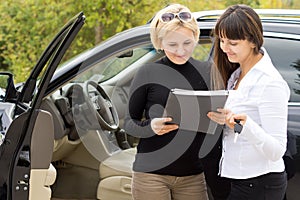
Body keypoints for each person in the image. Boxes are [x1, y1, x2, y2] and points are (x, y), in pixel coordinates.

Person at [124, 3, 212, 200]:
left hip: (193, 176)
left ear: (195, 38)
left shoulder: (206, 72)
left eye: (187, 43)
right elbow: (129, 123)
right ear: (160, 42)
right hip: (150, 176)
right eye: (172, 45)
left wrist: (219, 118)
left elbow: (214, 124)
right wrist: (150, 127)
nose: (181, 51)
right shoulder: (148, 72)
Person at [207, 4, 290, 200]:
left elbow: (277, 150)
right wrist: (225, 121)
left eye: (233, 43)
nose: (225, 48)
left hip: (260, 182)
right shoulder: (236, 74)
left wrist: (244, 126)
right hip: (240, 178)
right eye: (222, 41)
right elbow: (236, 126)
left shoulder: (270, 82)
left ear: (253, 41)